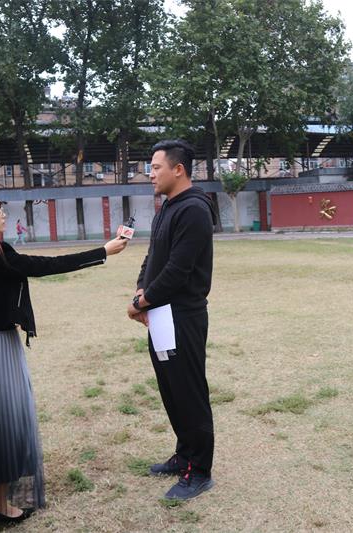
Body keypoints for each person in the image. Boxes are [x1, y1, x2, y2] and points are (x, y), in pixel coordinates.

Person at [0, 189, 128, 524]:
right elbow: (45, 265)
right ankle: (0, 505)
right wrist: (103, 251)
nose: (3, 212)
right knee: (4, 423)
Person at [127, 140, 217, 500]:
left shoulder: (194, 209)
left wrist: (141, 302)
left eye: (156, 167)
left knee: (190, 393)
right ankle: (184, 455)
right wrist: (141, 291)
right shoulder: (168, 207)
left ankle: (200, 471)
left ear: (178, 169)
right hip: (161, 316)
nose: (150, 174)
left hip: (183, 317)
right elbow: (153, 258)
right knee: (172, 390)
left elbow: (179, 270)